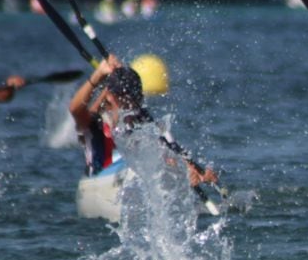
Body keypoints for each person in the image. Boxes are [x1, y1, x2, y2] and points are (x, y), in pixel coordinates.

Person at [68, 54, 215, 186]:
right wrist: (99, 74)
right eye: (125, 100)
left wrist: (192, 172)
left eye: (135, 99)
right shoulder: (94, 125)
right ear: (110, 96)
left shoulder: (144, 126)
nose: (131, 106)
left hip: (133, 182)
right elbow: (75, 109)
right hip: (98, 184)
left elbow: (170, 156)